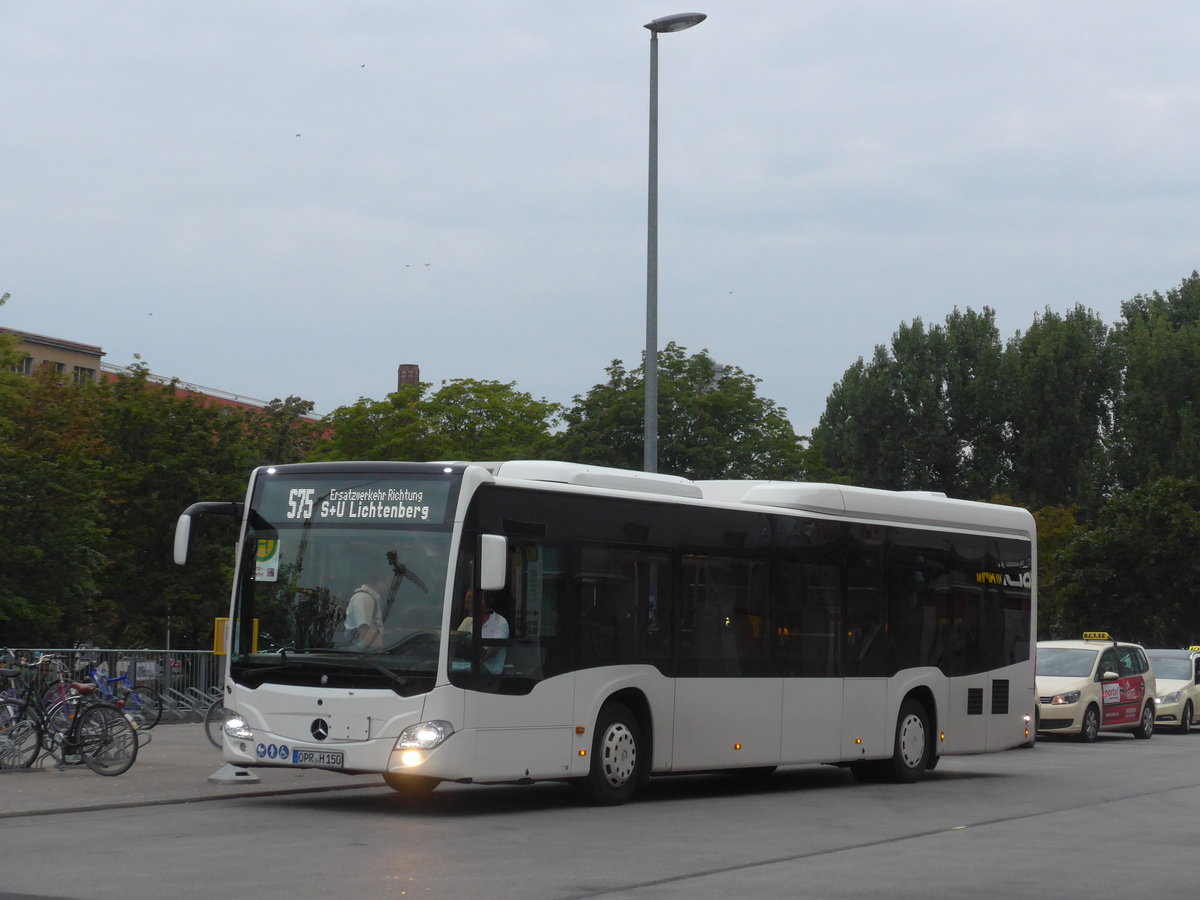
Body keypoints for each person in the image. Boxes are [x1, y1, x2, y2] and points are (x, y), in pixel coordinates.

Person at [458, 592, 509, 675]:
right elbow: (457, 640)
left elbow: (494, 649)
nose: (466, 607)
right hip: (469, 663)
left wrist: (475, 663)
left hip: (489, 669)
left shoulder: (500, 622)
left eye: (469, 602)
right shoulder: (467, 621)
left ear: (482, 603)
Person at [344, 564, 392, 650]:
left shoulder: (370, 598)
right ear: (379, 581)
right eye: (387, 583)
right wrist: (378, 652)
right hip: (362, 653)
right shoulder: (364, 598)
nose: (388, 588)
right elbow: (364, 630)